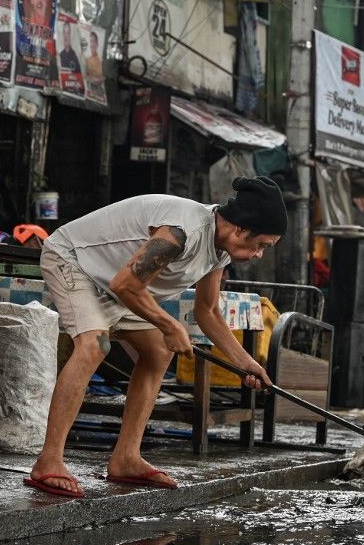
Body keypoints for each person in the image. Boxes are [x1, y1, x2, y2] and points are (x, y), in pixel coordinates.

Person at [26, 177, 286, 497]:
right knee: (94, 345)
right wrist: (170, 325)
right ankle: (48, 462)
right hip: (74, 260)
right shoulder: (182, 230)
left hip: (116, 281)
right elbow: (126, 285)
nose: (259, 254)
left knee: (160, 351)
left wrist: (245, 362)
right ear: (240, 230)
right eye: (261, 245)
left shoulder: (219, 251)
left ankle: (126, 458)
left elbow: (207, 312)